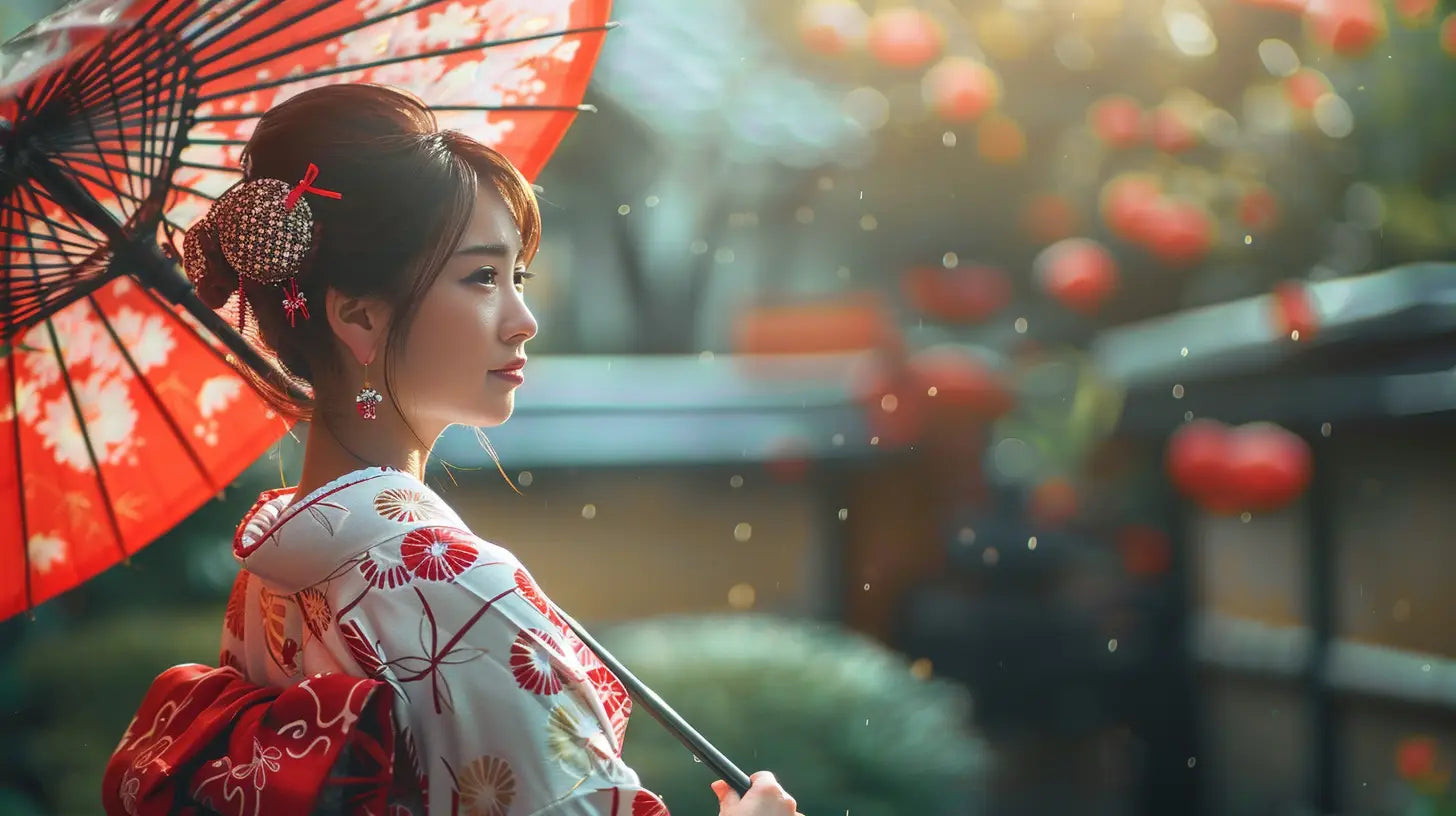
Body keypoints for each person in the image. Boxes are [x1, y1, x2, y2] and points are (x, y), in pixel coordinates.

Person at [104, 83, 798, 816]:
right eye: (482, 278)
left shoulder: (268, 582)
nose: (523, 319)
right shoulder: (460, 585)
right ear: (358, 316)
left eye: (517, 278)